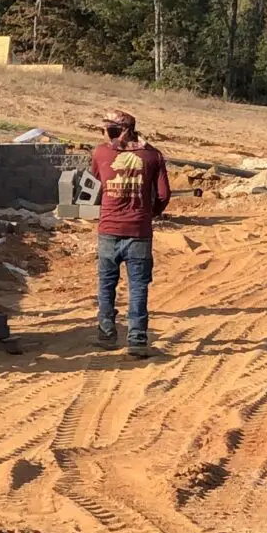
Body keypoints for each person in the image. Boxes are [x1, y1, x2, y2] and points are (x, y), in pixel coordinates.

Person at [90, 109, 172, 357]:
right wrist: (148, 214)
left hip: (108, 230)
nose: (104, 132)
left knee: (106, 285)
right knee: (138, 287)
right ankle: (136, 340)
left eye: (107, 128)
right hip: (139, 232)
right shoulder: (152, 156)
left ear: (119, 130)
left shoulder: (101, 154)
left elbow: (96, 182)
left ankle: (106, 334)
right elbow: (163, 195)